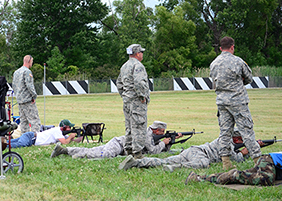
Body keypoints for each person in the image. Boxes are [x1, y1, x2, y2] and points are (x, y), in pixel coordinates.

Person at [210, 36, 261, 170]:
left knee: (225, 132)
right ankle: (257, 161)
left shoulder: (214, 63)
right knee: (247, 131)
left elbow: (214, 82)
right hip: (238, 101)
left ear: (220, 48)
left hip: (222, 102)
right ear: (232, 47)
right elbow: (249, 78)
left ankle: (226, 162)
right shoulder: (238, 61)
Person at [118, 130, 263, 171]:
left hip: (191, 151)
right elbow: (235, 158)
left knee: (164, 160)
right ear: (237, 139)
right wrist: (245, 153)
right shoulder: (228, 144)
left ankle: (137, 162)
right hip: (200, 153)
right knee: (204, 163)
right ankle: (175, 168)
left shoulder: (225, 140)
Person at [51, 121, 180, 159]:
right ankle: (78, 155)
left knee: (94, 149)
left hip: (119, 145)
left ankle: (65, 150)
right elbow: (153, 150)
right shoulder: (146, 135)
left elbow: (160, 148)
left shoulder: (152, 135)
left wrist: (170, 141)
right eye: (161, 132)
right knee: (104, 155)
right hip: (119, 145)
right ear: (156, 130)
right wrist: (164, 143)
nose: (162, 134)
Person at [116, 44, 151, 159]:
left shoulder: (124, 66)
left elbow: (119, 83)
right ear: (137, 53)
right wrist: (142, 96)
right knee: (139, 126)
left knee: (129, 126)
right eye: (141, 52)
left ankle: (129, 151)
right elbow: (139, 82)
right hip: (136, 101)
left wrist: (125, 95)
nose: (142, 55)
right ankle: (138, 154)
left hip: (127, 100)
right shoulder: (138, 65)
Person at [185, 153, 282, 186]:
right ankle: (235, 175)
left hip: (270, 163)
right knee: (266, 179)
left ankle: (198, 178)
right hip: (270, 161)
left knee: (248, 174)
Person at [12, 55, 41, 133]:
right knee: (34, 120)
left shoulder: (16, 72)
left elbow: (14, 86)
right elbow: (29, 85)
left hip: (20, 100)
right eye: (32, 62)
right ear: (29, 61)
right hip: (28, 100)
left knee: (23, 121)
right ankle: (36, 138)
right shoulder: (27, 71)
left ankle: (25, 137)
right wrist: (34, 96)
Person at [8, 119, 78, 148]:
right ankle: (2, 145)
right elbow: (65, 142)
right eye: (69, 127)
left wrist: (79, 136)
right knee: (19, 145)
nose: (70, 129)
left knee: (10, 142)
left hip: (30, 137)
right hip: (31, 138)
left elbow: (73, 141)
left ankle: (1, 143)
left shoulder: (61, 134)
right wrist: (70, 136)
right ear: (64, 127)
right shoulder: (57, 131)